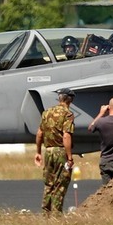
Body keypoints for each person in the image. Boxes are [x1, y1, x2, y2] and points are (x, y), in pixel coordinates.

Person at [34, 88, 76, 216]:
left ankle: (46, 213)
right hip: (60, 152)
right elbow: (66, 136)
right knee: (60, 184)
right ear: (70, 100)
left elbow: (40, 133)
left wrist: (38, 152)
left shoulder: (47, 112)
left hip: (48, 151)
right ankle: (56, 215)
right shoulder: (67, 114)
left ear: (59, 98)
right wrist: (69, 157)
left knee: (48, 183)